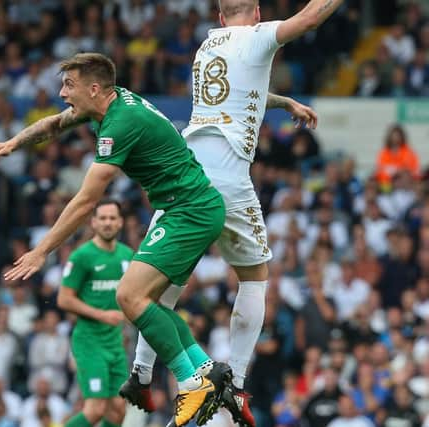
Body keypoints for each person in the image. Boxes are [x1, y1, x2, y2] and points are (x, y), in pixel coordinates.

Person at [121, 1, 345, 426]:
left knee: (158, 280)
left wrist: (282, 103)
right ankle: (235, 386)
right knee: (254, 276)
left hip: (184, 173)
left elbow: (241, 91)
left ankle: (141, 372)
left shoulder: (207, 47)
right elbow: (310, 17)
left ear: (222, 18)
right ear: (257, 12)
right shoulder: (256, 37)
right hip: (227, 179)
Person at [0, 52, 228, 427]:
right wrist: (11, 144)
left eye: (69, 85)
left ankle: (191, 383)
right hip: (187, 208)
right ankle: (206, 370)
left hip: (189, 212)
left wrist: (41, 251)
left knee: (129, 297)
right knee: (149, 301)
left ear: (94, 89)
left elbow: (86, 201)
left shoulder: (120, 123)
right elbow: (53, 125)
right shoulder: (106, 104)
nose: (63, 93)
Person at [56, 199, 133, 427]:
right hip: (90, 342)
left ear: (120, 223)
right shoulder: (82, 256)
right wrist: (102, 315)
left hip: (115, 343)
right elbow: (64, 299)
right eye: (103, 218)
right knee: (96, 409)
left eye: (112, 218)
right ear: (93, 223)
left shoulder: (128, 256)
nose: (107, 223)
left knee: (118, 410)